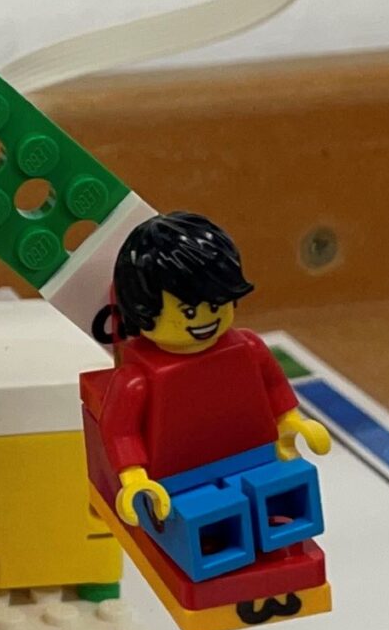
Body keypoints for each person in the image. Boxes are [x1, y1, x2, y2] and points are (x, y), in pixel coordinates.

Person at [88, 214, 331, 580]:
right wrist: (135, 477)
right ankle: (222, 547)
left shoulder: (249, 347)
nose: (204, 319)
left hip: (256, 456)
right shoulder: (136, 380)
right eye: (188, 311)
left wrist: (291, 422)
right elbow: (120, 431)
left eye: (216, 305)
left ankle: (266, 535)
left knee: (278, 491)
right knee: (208, 515)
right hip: (178, 481)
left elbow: (274, 388)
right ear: (143, 310)